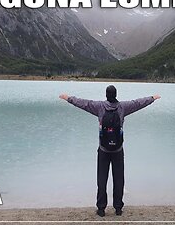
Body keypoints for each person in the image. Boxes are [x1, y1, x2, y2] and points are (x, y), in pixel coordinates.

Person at [59, 85, 160, 217]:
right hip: (118, 150)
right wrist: (152, 98)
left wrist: (68, 98)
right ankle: (118, 208)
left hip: (103, 150)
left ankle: (101, 209)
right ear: (116, 94)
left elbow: (83, 103)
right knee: (119, 179)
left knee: (102, 179)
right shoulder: (123, 107)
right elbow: (137, 103)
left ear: (106, 95)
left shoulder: (99, 107)